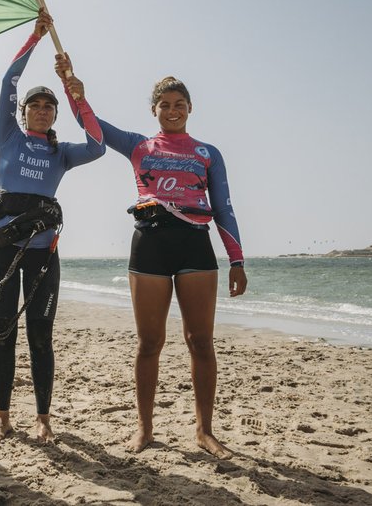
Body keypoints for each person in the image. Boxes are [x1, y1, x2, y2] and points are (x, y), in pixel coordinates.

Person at [55, 55, 247, 459]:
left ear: (190, 109)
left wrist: (237, 259)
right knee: (149, 342)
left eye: (179, 104)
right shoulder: (139, 145)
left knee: (201, 341)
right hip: (150, 245)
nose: (172, 111)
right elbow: (94, 128)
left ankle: (205, 430)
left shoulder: (207, 153)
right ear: (154, 110)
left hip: (195, 245)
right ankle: (144, 428)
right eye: (165, 105)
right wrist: (75, 91)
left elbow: (224, 207)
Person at [0, 10, 105, 444]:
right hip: (2, 248)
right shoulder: (8, 137)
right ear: (24, 112)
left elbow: (98, 145)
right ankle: (1, 416)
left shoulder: (62, 152)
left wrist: (78, 97)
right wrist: (34, 38)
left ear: (54, 114)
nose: (40, 109)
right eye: (34, 105)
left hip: (42, 253)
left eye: (47, 106)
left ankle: (43, 419)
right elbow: (6, 83)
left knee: (40, 335)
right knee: (2, 333)